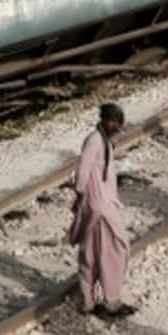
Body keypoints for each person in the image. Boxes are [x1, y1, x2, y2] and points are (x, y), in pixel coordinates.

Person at [67, 103, 133, 318]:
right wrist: (79, 194)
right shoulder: (95, 141)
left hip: (99, 202)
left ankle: (87, 302)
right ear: (105, 120)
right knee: (118, 247)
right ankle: (111, 300)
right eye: (114, 122)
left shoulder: (103, 140)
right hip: (99, 204)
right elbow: (83, 169)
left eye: (119, 123)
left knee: (92, 251)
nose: (116, 127)